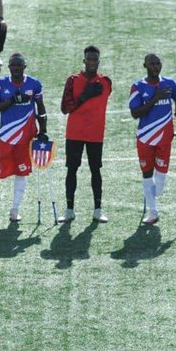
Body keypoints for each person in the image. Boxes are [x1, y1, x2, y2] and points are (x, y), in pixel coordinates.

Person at [128, 53, 176, 226]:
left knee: (160, 182)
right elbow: (135, 113)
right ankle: (153, 212)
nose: (155, 66)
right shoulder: (137, 87)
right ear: (145, 66)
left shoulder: (169, 83)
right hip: (145, 138)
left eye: (157, 63)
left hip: (165, 139)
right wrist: (155, 98)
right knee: (147, 173)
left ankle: (153, 198)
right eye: (151, 64)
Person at [0, 53, 47, 222]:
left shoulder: (34, 84)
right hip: (6, 137)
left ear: (24, 67)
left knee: (22, 171)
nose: (15, 68)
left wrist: (43, 130)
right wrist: (11, 101)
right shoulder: (0, 83)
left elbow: (41, 107)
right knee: (5, 171)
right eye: (13, 65)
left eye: (19, 65)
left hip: (26, 137)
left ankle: (15, 208)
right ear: (9, 67)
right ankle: (12, 206)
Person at [58, 45, 112, 223]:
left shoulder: (106, 82)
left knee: (96, 170)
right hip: (75, 133)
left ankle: (98, 209)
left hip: (96, 134)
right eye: (89, 59)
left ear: (98, 61)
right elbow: (65, 108)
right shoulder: (72, 80)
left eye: (95, 59)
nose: (92, 62)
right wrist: (84, 96)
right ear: (84, 60)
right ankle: (69, 210)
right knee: (72, 169)